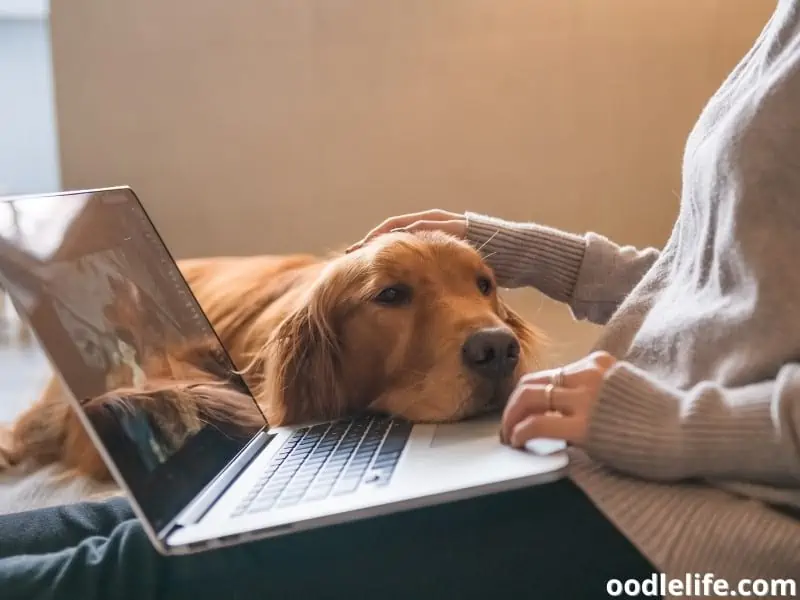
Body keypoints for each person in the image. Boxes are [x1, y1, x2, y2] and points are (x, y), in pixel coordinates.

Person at [3, 2, 800, 599]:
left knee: (143, 574)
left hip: (710, 522)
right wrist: (513, 249)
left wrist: (666, 426)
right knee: (137, 519)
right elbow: (729, 278)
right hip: (626, 453)